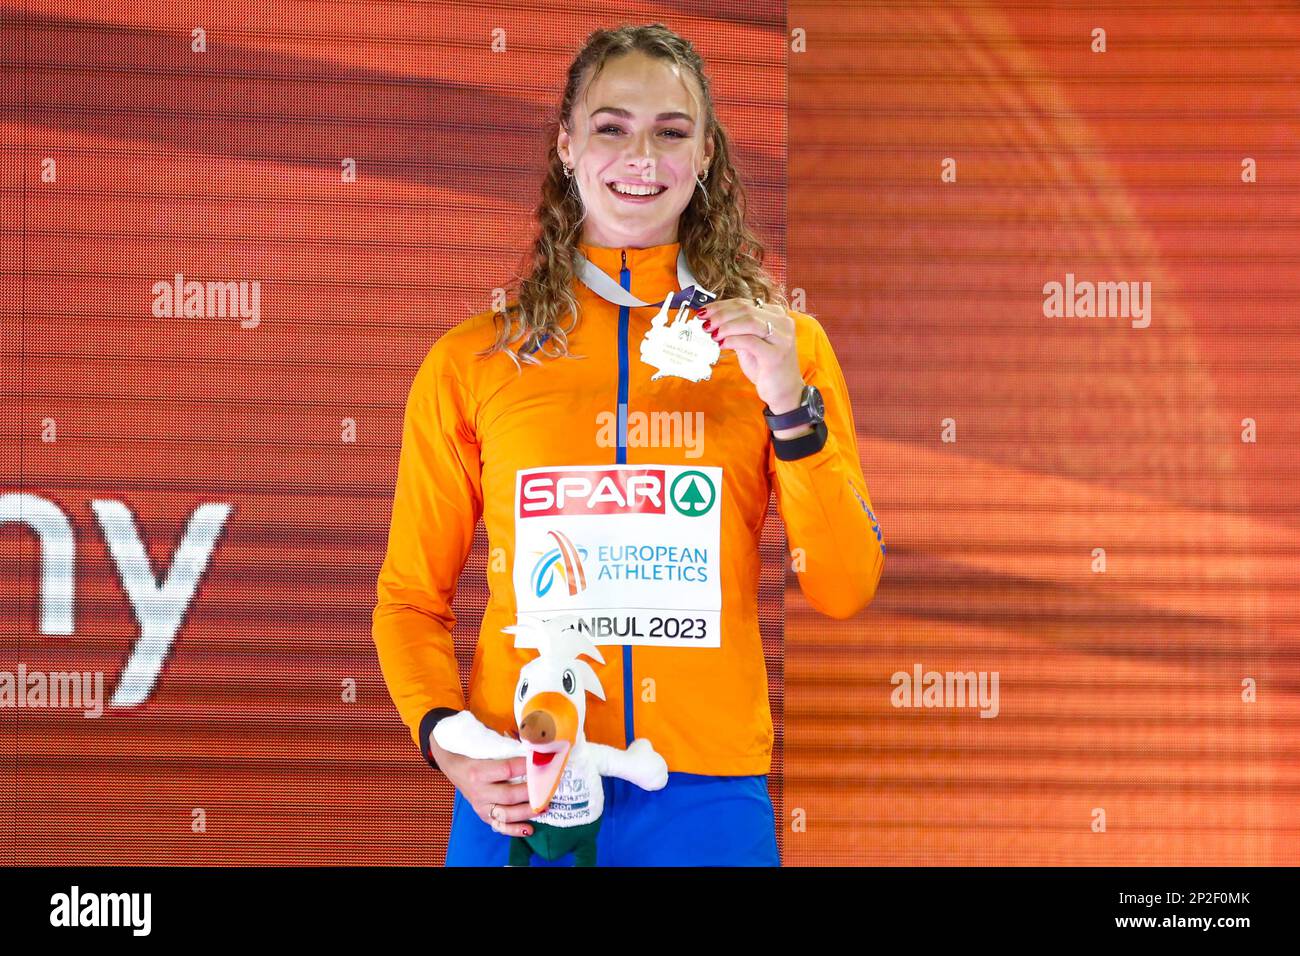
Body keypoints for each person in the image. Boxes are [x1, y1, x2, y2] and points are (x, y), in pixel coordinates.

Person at [371, 22, 886, 866]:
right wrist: (448, 738)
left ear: (707, 155)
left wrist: (790, 405)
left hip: (707, 798)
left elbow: (844, 586)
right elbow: (409, 597)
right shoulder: (473, 360)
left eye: (670, 131)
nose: (640, 154)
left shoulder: (782, 347)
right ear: (567, 146)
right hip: (521, 785)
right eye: (611, 126)